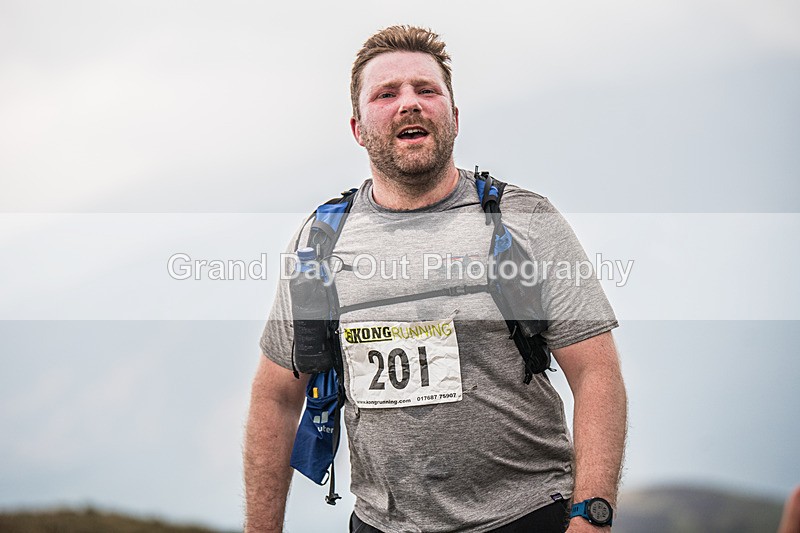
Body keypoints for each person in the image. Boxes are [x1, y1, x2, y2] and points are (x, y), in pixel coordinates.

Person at [245, 25, 627, 533]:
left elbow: (596, 374)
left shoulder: (524, 221)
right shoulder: (319, 243)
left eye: (427, 90)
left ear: (454, 117)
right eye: (387, 93)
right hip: (380, 524)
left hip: (526, 516)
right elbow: (276, 396)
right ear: (358, 128)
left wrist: (591, 517)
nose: (409, 103)